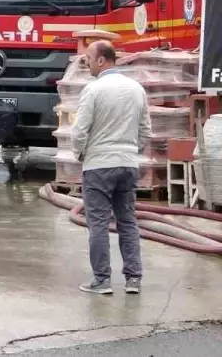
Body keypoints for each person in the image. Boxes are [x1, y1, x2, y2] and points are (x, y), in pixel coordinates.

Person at [71, 41, 151, 295]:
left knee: (98, 223)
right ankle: (133, 279)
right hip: (128, 165)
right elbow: (145, 130)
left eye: (89, 59)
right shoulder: (137, 89)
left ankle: (102, 280)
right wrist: (130, 150)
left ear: (102, 60)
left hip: (99, 166)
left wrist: (80, 154)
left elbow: (80, 130)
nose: (87, 63)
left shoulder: (93, 90)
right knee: (127, 221)